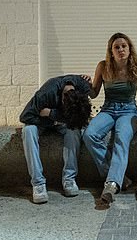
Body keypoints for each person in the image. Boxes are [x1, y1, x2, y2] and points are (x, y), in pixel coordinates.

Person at [83, 32, 137, 204]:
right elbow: (94, 92)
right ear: (111, 51)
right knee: (89, 134)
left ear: (129, 49)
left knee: (122, 137)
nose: (120, 49)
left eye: (124, 46)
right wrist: (85, 84)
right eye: (116, 47)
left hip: (128, 112)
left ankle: (111, 185)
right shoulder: (103, 66)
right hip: (108, 110)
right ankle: (119, 177)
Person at [20, 75, 92, 204]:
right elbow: (25, 116)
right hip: (40, 121)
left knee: (74, 130)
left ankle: (69, 178)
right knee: (28, 130)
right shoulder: (46, 93)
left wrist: (51, 114)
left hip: (59, 120)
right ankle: (38, 183)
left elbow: (80, 118)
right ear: (63, 100)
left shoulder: (83, 87)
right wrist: (53, 121)